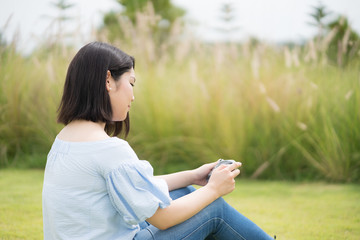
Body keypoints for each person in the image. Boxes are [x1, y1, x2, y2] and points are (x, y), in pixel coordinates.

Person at [42, 41, 275, 240]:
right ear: (108, 81)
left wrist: (194, 176)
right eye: (131, 83)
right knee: (213, 209)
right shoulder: (108, 149)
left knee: (184, 191)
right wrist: (214, 189)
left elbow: (135, 184)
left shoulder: (65, 139)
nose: (133, 96)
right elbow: (163, 219)